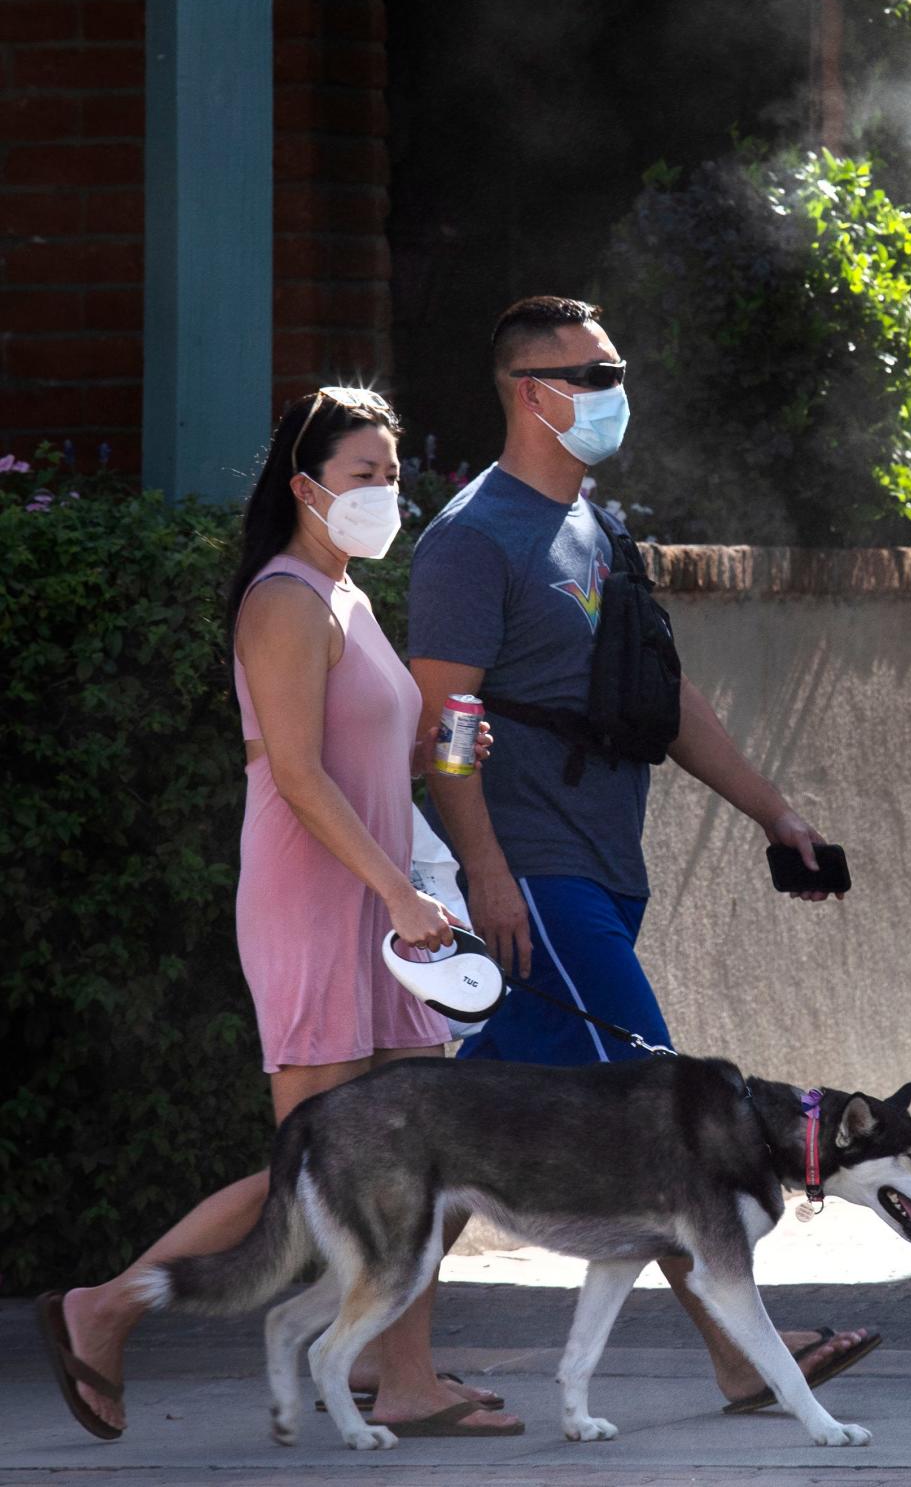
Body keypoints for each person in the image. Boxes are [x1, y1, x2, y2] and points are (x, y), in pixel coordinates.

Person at [407, 299, 879, 1414]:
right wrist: (484, 869)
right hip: (536, 876)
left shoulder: (599, 527)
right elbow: (448, 722)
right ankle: (745, 1357)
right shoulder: (473, 539)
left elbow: (659, 697)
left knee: (406, 1133)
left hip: (608, 874)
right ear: (532, 390)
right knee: (671, 1114)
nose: (616, 388)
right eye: (594, 370)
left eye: (617, 365)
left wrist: (776, 814)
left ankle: (126, 1304)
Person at [38, 387, 521, 1442]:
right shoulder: (287, 599)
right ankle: (105, 1308)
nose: (386, 492)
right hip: (322, 901)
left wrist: (439, 755)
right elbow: (297, 778)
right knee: (311, 1167)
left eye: (395, 474)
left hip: (387, 907)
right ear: (305, 486)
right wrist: (399, 892)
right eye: (365, 475)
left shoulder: (346, 596)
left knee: (416, 1155)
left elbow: (360, 760)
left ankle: (407, 1380)